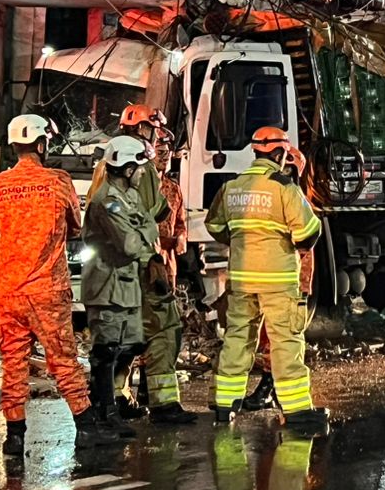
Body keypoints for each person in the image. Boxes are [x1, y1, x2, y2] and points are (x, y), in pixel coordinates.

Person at [0, 114, 104, 455]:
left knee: (13, 362)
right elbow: (75, 226)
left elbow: (2, 224)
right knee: (63, 358)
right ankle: (85, 426)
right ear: (41, 145)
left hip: (8, 289)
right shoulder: (58, 181)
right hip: (46, 289)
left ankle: (14, 435)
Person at [206, 126, 328, 435]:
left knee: (237, 338)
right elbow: (307, 234)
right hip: (277, 281)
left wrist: (241, 240)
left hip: (241, 280)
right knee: (285, 341)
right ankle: (297, 411)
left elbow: (216, 226)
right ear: (279, 153)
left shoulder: (233, 186)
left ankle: (225, 405)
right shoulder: (284, 187)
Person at [82, 134, 158, 439]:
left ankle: (108, 403)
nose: (143, 173)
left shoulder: (130, 197)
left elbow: (147, 225)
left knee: (132, 344)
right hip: (107, 286)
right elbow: (129, 244)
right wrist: (147, 231)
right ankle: (104, 412)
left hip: (125, 286)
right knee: (106, 350)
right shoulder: (107, 201)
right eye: (140, 168)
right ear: (127, 169)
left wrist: (145, 230)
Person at [136, 127, 196, 425]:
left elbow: (180, 221)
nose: (164, 155)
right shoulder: (140, 184)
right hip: (146, 265)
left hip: (166, 266)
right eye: (159, 150)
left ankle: (151, 392)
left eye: (168, 151)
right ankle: (141, 392)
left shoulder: (173, 188)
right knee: (149, 330)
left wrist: (182, 237)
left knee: (165, 328)